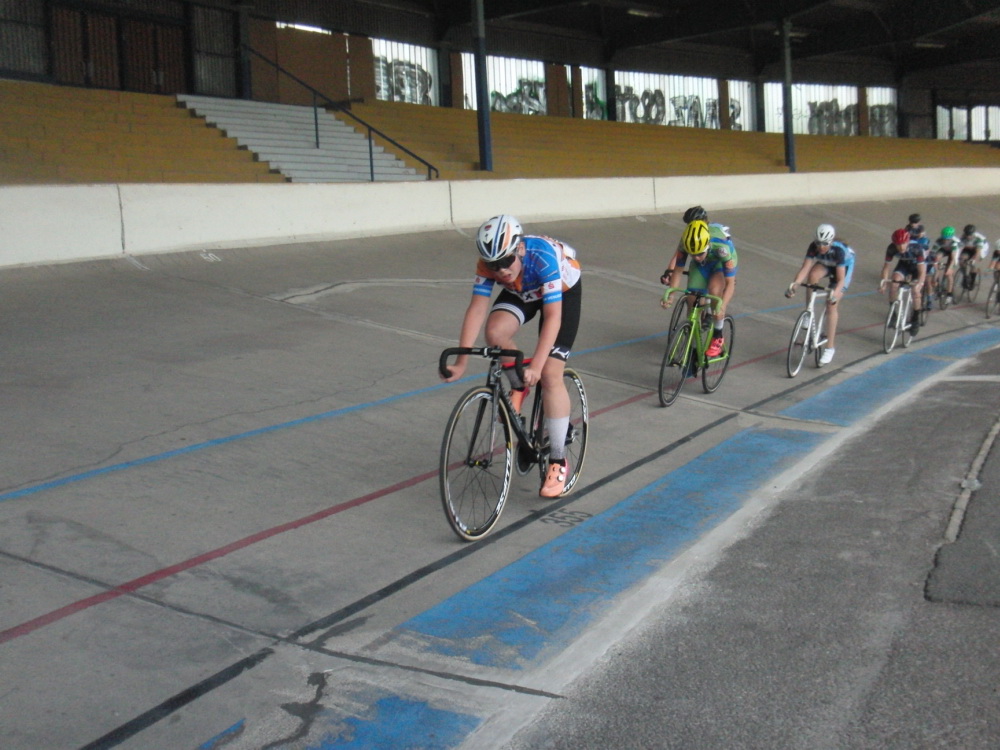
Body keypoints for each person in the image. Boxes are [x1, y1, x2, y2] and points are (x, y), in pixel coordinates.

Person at [442, 214, 582, 499]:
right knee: (495, 333)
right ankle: (519, 386)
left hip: (561, 293)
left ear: (519, 249)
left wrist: (539, 366)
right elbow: (478, 308)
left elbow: (553, 318)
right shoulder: (490, 265)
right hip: (523, 292)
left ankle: (557, 459)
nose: (502, 270)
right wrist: (462, 361)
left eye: (506, 261)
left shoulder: (541, 256)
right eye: (494, 266)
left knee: (551, 374)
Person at [660, 218, 738, 357]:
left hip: (718, 263)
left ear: (707, 245)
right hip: (702, 267)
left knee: (715, 293)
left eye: (699, 254)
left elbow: (730, 283)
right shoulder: (685, 245)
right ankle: (693, 337)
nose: (696, 258)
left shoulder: (722, 249)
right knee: (692, 298)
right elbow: (677, 270)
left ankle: (718, 336)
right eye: (693, 254)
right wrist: (670, 296)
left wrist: (722, 304)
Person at [784, 223, 856, 365]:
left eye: (824, 244)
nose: (821, 247)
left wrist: (835, 295)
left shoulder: (839, 251)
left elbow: (841, 279)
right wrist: (794, 285)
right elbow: (805, 268)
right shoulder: (813, 247)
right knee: (812, 276)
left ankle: (830, 348)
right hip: (827, 264)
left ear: (830, 242)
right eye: (818, 243)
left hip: (842, 269)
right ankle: (808, 310)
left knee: (831, 305)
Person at [880, 227, 926, 335]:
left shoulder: (917, 249)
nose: (901, 247)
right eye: (898, 244)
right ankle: (893, 314)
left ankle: (915, 318)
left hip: (916, 268)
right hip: (903, 266)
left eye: (903, 243)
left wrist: (920, 283)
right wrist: (884, 282)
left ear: (908, 241)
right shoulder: (891, 249)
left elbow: (922, 271)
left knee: (915, 291)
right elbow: (886, 267)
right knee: (894, 283)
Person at [929, 226, 959, 305]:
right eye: (944, 239)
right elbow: (933, 253)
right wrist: (935, 266)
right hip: (943, 250)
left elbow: (953, 259)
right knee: (936, 258)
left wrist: (949, 268)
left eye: (948, 239)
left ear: (951, 238)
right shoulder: (939, 241)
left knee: (949, 274)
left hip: (952, 253)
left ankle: (949, 294)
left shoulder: (954, 243)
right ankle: (937, 284)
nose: (945, 241)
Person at [958, 224, 988, 291]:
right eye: (967, 235)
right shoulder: (963, 237)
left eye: (970, 235)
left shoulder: (979, 239)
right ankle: (965, 276)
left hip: (980, 250)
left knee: (973, 263)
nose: (968, 237)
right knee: (961, 259)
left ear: (973, 234)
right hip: (969, 248)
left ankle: (972, 281)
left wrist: (973, 260)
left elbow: (978, 252)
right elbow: (960, 249)